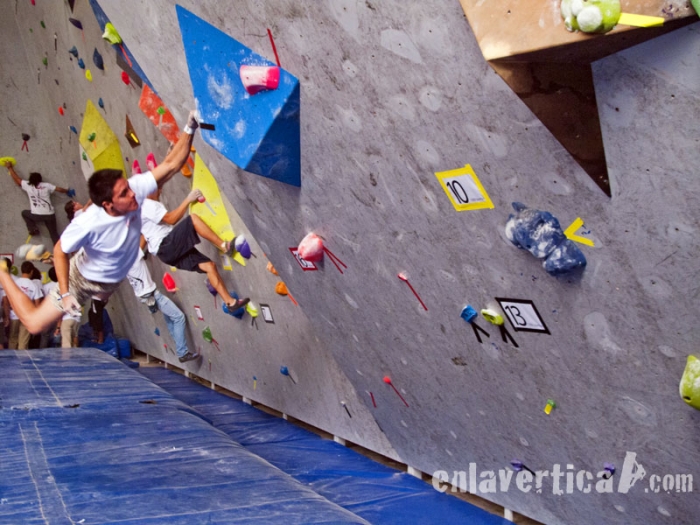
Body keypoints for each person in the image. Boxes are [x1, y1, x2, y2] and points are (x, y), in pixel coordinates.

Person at [0, 111, 201, 335]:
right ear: (108, 205)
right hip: (82, 280)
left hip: (109, 280)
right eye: (124, 194)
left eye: (128, 188)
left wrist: (190, 127)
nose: (133, 194)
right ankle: (2, 273)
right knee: (34, 325)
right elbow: (59, 250)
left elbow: (172, 164)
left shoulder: (133, 189)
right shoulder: (88, 223)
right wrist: (65, 294)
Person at [140, 186, 249, 312]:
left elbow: (143, 234)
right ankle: (225, 246)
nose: (161, 191)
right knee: (193, 219)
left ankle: (230, 303)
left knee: (209, 266)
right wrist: (188, 200)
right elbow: (171, 219)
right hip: (166, 246)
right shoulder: (147, 204)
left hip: (165, 255)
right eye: (158, 189)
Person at [127, 245, 199, 363]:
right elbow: (144, 238)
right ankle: (182, 352)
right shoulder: (133, 255)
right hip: (152, 295)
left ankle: (180, 347)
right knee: (178, 317)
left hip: (144, 295)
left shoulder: (123, 261)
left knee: (170, 320)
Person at [5, 162, 73, 245]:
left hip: (37, 216)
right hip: (50, 215)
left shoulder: (28, 185)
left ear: (30, 180)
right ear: (40, 179)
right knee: (53, 234)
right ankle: (60, 249)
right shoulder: (46, 185)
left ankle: (33, 229)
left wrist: (10, 168)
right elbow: (59, 189)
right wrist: (67, 191)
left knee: (24, 213)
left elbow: (17, 179)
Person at [7, 261, 43, 349]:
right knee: (23, 341)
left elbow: (8, 299)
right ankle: (22, 357)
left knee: (12, 339)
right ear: (32, 271)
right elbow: (37, 305)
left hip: (14, 314)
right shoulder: (34, 285)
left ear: (21, 270)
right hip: (27, 316)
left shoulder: (14, 283)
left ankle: (11, 357)